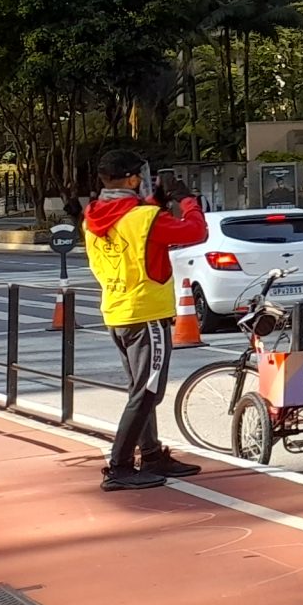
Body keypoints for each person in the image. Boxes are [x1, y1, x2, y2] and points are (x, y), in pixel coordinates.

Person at [80, 151, 208, 492]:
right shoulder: (145, 217)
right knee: (147, 392)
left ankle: (151, 454)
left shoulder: (93, 214)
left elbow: (133, 225)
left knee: (141, 389)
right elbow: (195, 231)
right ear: (133, 179)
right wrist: (187, 201)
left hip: (117, 309)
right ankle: (119, 465)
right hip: (146, 312)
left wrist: (157, 200)